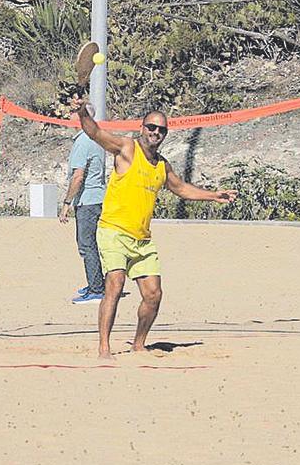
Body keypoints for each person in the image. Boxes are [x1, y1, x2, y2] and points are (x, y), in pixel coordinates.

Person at [74, 100, 237, 359]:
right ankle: (104, 348)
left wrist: (213, 195)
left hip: (142, 239)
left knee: (153, 295)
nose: (155, 133)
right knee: (114, 284)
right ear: (142, 128)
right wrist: (82, 111)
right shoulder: (127, 149)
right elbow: (95, 132)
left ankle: (139, 344)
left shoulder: (162, 166)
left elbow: (181, 188)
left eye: (161, 130)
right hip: (113, 231)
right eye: (151, 127)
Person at [59, 131, 107, 303]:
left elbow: (78, 176)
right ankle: (97, 283)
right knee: (92, 244)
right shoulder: (97, 138)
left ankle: (96, 290)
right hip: (98, 198)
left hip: (88, 201)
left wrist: (66, 203)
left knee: (86, 245)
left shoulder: (83, 141)